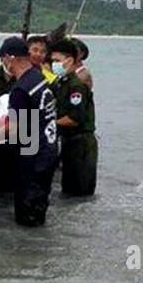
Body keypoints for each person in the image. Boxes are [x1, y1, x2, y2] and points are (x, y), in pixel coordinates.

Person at [0, 36, 58, 226]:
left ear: (10, 58)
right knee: (39, 205)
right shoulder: (38, 77)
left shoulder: (20, 89)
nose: (3, 64)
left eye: (3, 60)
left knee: (27, 214)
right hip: (48, 150)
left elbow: (14, 128)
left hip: (31, 157)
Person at [49, 38, 97, 196]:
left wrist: (46, 123)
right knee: (68, 189)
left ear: (69, 60)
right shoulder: (62, 82)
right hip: (68, 142)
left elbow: (73, 118)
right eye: (52, 60)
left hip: (81, 145)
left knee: (80, 192)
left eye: (57, 60)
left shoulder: (76, 85)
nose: (54, 64)